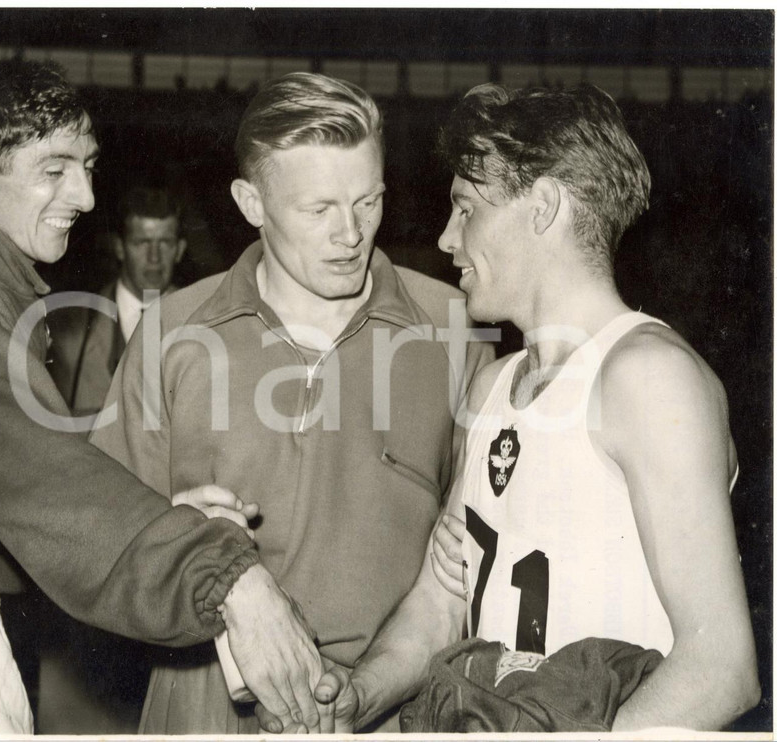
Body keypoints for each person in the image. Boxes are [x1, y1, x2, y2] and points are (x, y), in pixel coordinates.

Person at [0, 58, 328, 735]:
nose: (86, 195)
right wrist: (226, 576)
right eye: (54, 170)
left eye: (88, 165)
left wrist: (154, 507)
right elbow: (48, 489)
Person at [290, 82, 760, 733]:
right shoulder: (493, 388)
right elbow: (440, 600)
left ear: (542, 207)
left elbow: (721, 671)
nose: (447, 237)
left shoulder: (647, 376)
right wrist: (356, 698)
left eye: (465, 208)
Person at [89, 71, 495, 734]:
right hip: (203, 718)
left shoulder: (455, 331)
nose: (351, 233)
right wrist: (169, 537)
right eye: (319, 209)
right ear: (251, 202)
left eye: (369, 202)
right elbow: (97, 557)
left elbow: (470, 570)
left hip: (391, 713)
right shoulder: (172, 335)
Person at [48, 186, 187, 415]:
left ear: (180, 250)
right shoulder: (67, 332)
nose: (154, 258)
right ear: (120, 248)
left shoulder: (205, 319)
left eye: (165, 243)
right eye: (142, 243)